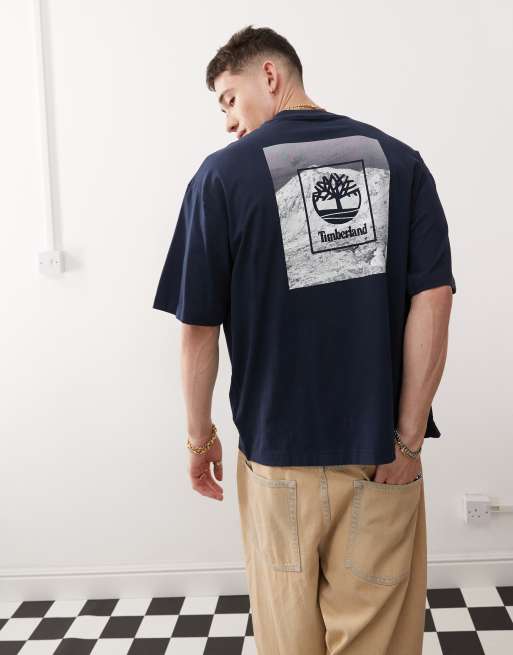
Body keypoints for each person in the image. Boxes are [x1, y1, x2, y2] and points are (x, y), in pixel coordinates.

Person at [153, 24, 456, 655]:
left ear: (269, 75)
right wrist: (407, 440)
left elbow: (198, 328)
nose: (228, 121)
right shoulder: (399, 162)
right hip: (380, 455)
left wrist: (199, 437)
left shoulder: (221, 178)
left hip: (276, 462)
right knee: (378, 642)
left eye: (229, 98)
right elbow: (433, 300)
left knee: (289, 642)